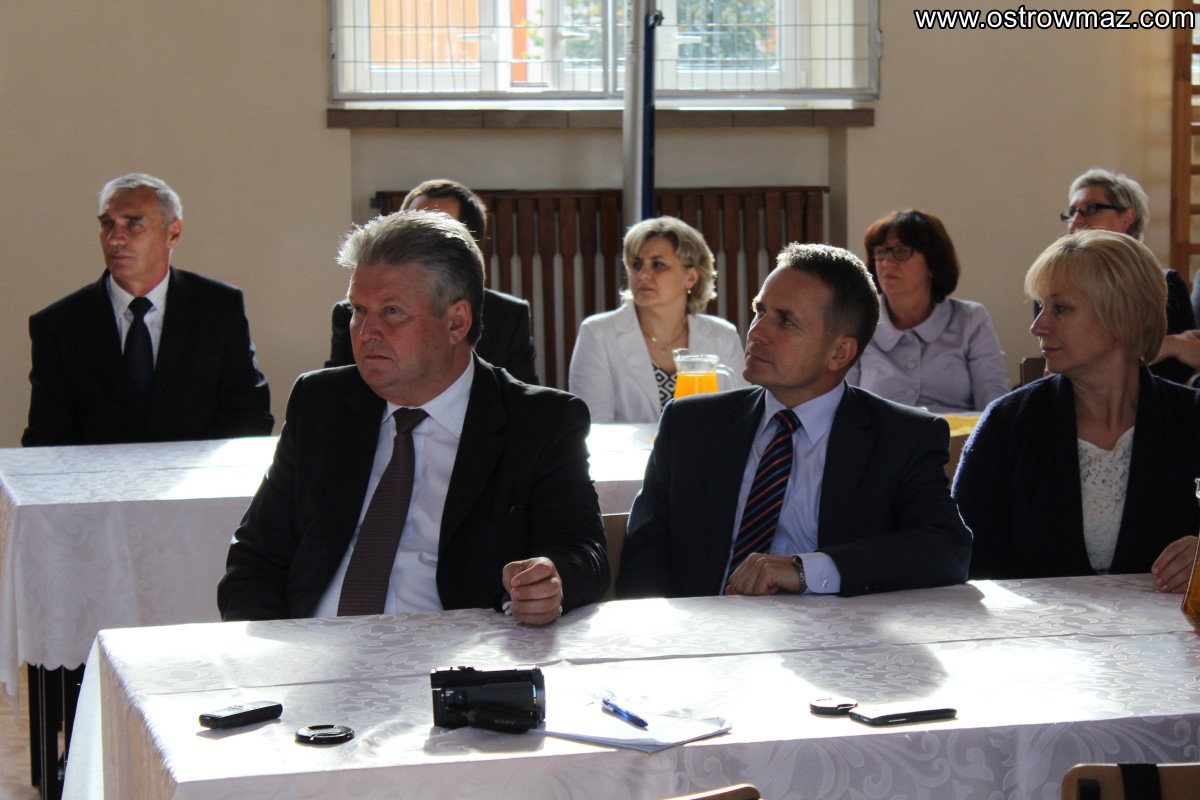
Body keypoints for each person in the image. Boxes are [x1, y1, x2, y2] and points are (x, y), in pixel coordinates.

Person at [218, 210, 608, 624]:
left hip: (456, 650)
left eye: (391, 312)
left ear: (456, 321)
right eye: (358, 310)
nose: (365, 332)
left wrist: (551, 579)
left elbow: (584, 553)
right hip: (315, 642)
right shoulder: (321, 403)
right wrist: (274, 651)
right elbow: (256, 555)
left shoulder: (540, 422)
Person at [616, 243, 972, 599]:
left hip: (833, 631)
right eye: (760, 311)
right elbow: (644, 556)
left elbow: (947, 549)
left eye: (786, 321)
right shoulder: (690, 425)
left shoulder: (901, 437)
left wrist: (807, 569)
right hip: (706, 626)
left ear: (839, 353)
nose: (756, 332)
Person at [953, 230, 1200, 591]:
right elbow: (962, 555)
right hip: (1032, 627)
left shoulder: (1192, 419)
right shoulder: (1009, 422)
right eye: (1040, 307)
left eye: (1060, 309)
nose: (1037, 326)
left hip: (1173, 628)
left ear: (1123, 317)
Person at [23, 173, 273, 446]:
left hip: (198, 471)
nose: (114, 239)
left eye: (134, 223)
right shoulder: (60, 324)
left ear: (173, 233)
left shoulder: (218, 308)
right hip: (96, 473)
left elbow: (249, 413)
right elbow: (47, 434)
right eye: (107, 223)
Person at [325, 178, 539, 385]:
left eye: (437, 233)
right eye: (411, 229)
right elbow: (337, 394)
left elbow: (520, 398)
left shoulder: (508, 315)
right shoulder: (351, 316)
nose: (367, 331)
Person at [568, 216, 745, 423]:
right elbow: (595, 425)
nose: (643, 275)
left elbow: (741, 416)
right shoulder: (597, 333)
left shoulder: (723, 336)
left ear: (691, 277)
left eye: (658, 265)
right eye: (636, 265)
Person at [847, 209, 1009, 412]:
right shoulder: (858, 321)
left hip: (957, 432)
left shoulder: (970, 319)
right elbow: (842, 408)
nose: (887, 262)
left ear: (933, 264)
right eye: (881, 251)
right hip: (880, 433)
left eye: (902, 251)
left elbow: (994, 407)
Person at [1058, 168, 1199, 385]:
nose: (1076, 219)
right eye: (1072, 211)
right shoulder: (1055, 288)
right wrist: (1169, 345)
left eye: (1091, 208)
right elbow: (1069, 361)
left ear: (1126, 218)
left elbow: (1181, 367)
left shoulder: (1166, 285)